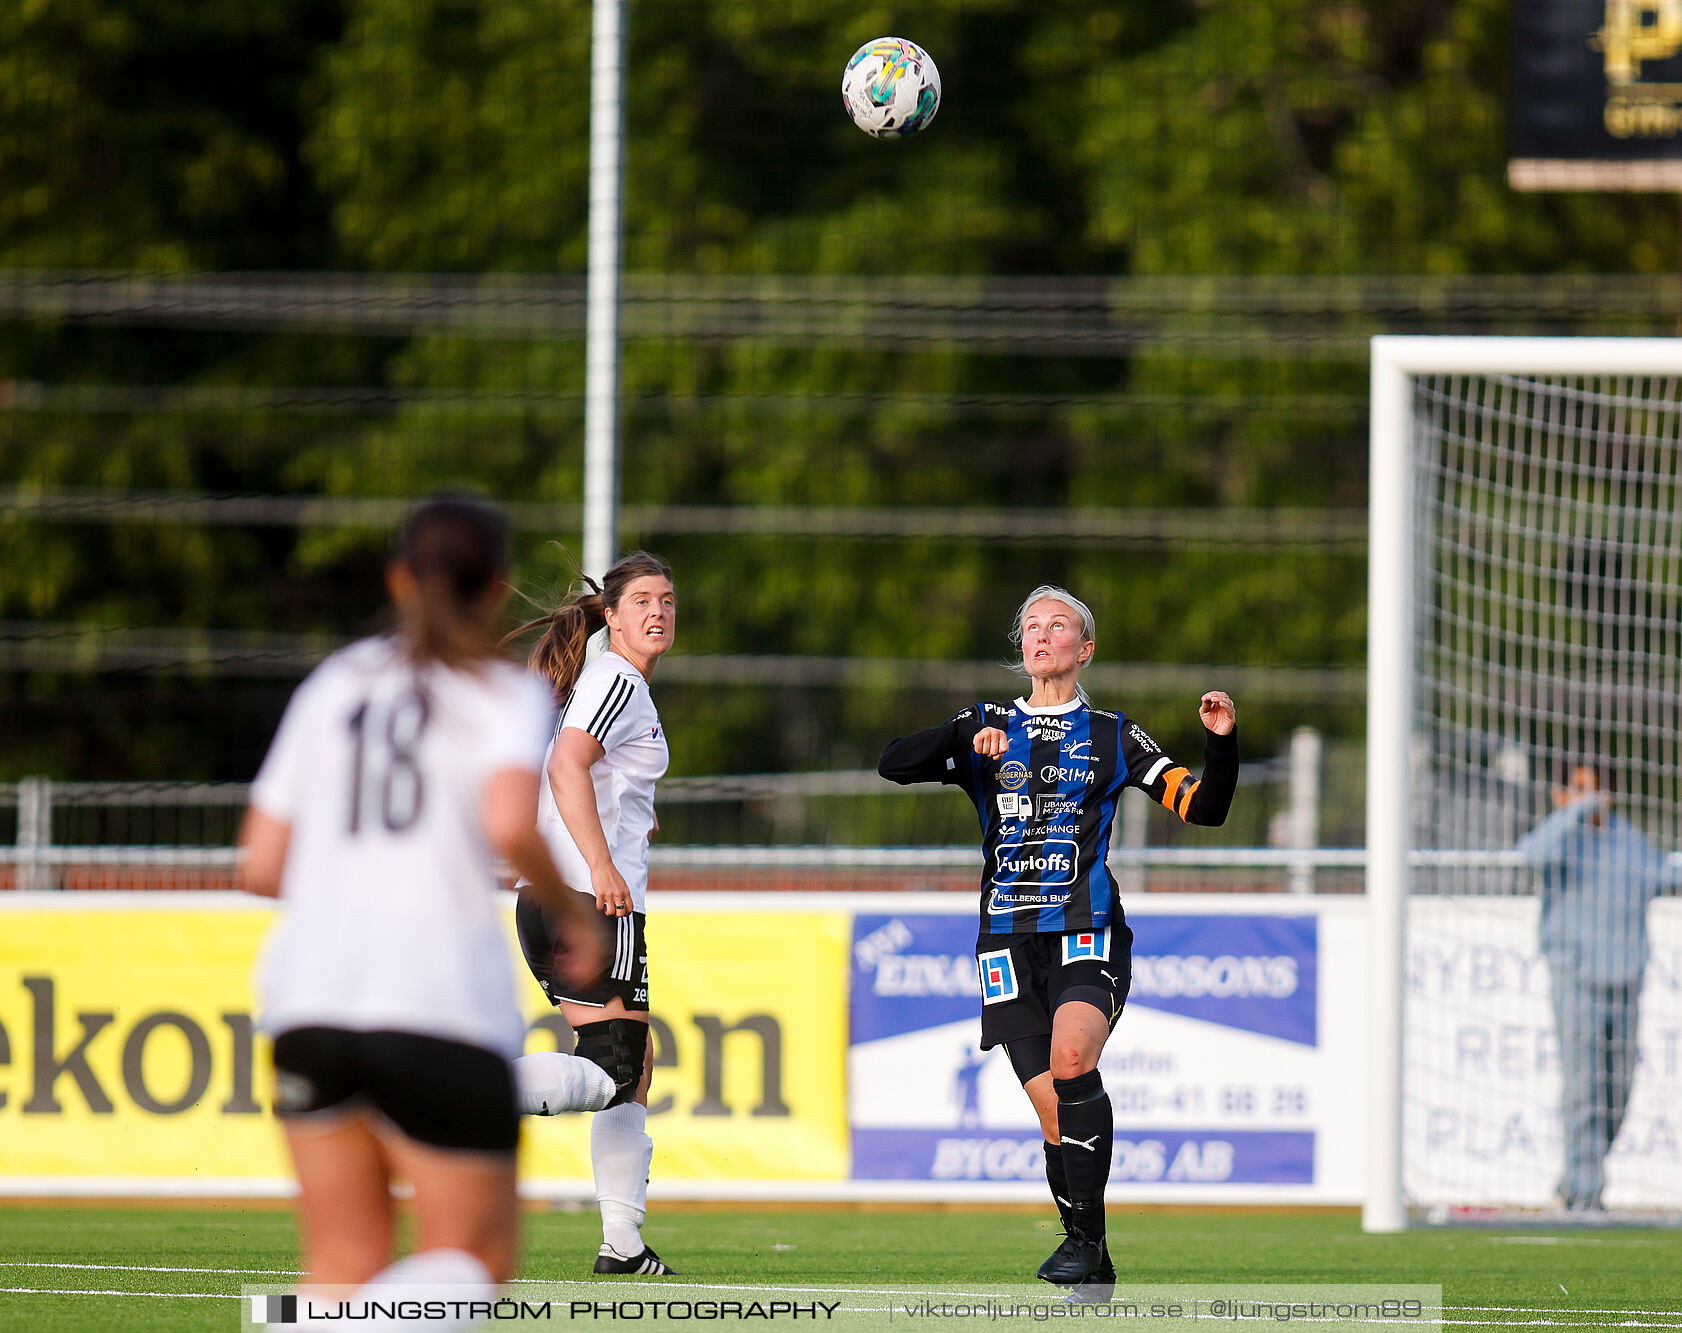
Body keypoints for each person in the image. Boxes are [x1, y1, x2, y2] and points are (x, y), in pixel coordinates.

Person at [239, 494, 612, 1329]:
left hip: (306, 996)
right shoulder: (499, 693)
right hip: (438, 995)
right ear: (499, 588)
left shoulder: (336, 683)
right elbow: (512, 822)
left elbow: (260, 864)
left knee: (339, 1266)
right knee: (471, 1260)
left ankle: (288, 1320)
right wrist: (576, 915)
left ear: (399, 579)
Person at [878, 585, 1238, 1290]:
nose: (1042, 636)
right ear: (1021, 647)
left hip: (1086, 932)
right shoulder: (987, 723)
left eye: (1059, 626)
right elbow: (892, 761)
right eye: (1031, 627)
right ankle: (1094, 1259)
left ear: (1085, 648)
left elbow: (1207, 808)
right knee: (1054, 1120)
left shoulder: (1112, 734)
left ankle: (1081, 1241)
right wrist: (959, 738)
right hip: (1005, 945)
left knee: (1073, 1058)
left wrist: (1221, 743)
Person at [509, 550, 679, 1276]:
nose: (658, 611)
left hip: (567, 894)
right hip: (587, 899)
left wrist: (632, 823)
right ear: (611, 615)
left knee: (633, 1068)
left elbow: (586, 776)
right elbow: (567, 764)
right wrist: (603, 862)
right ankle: (466, 1085)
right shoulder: (616, 678)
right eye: (641, 599)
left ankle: (624, 1247)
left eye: (668, 600)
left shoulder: (607, 681)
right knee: (614, 1068)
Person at [1518, 762, 1674, 1214]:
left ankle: (1575, 1181)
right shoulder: (1561, 837)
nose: (1590, 797)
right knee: (1582, 1087)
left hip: (1626, 980)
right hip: (1576, 979)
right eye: (1580, 788)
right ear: (1561, 793)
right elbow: (1531, 855)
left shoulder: (1628, 838)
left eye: (1595, 789)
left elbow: (1662, 877)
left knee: (1617, 1091)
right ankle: (1585, 1194)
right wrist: (1573, 813)